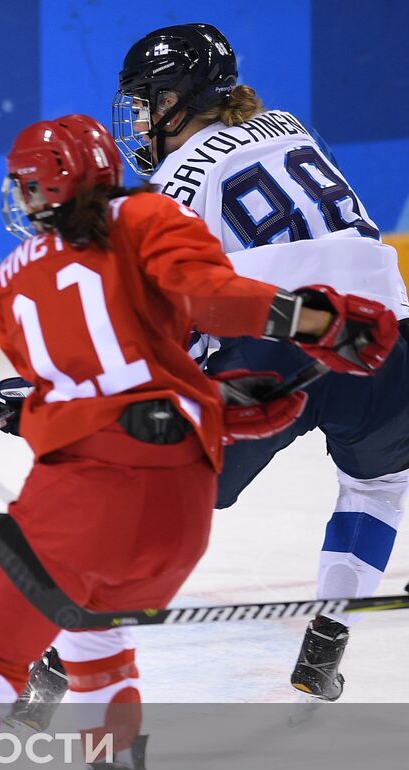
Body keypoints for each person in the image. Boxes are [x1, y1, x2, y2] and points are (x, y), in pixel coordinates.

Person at [0, 113, 395, 770]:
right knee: (94, 632)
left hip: (80, 503)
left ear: (44, 187)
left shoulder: (4, 286)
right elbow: (205, 304)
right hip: (179, 508)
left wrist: (42, 409)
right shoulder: (150, 213)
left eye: (26, 182)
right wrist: (318, 324)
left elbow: (91, 379)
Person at [106, 22, 409, 701]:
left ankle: (65, 659)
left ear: (179, 101)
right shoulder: (287, 127)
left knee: (165, 498)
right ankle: (327, 641)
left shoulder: (174, 178)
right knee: (376, 488)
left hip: (279, 335)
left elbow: (171, 307)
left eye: (149, 102)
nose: (144, 120)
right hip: (384, 331)